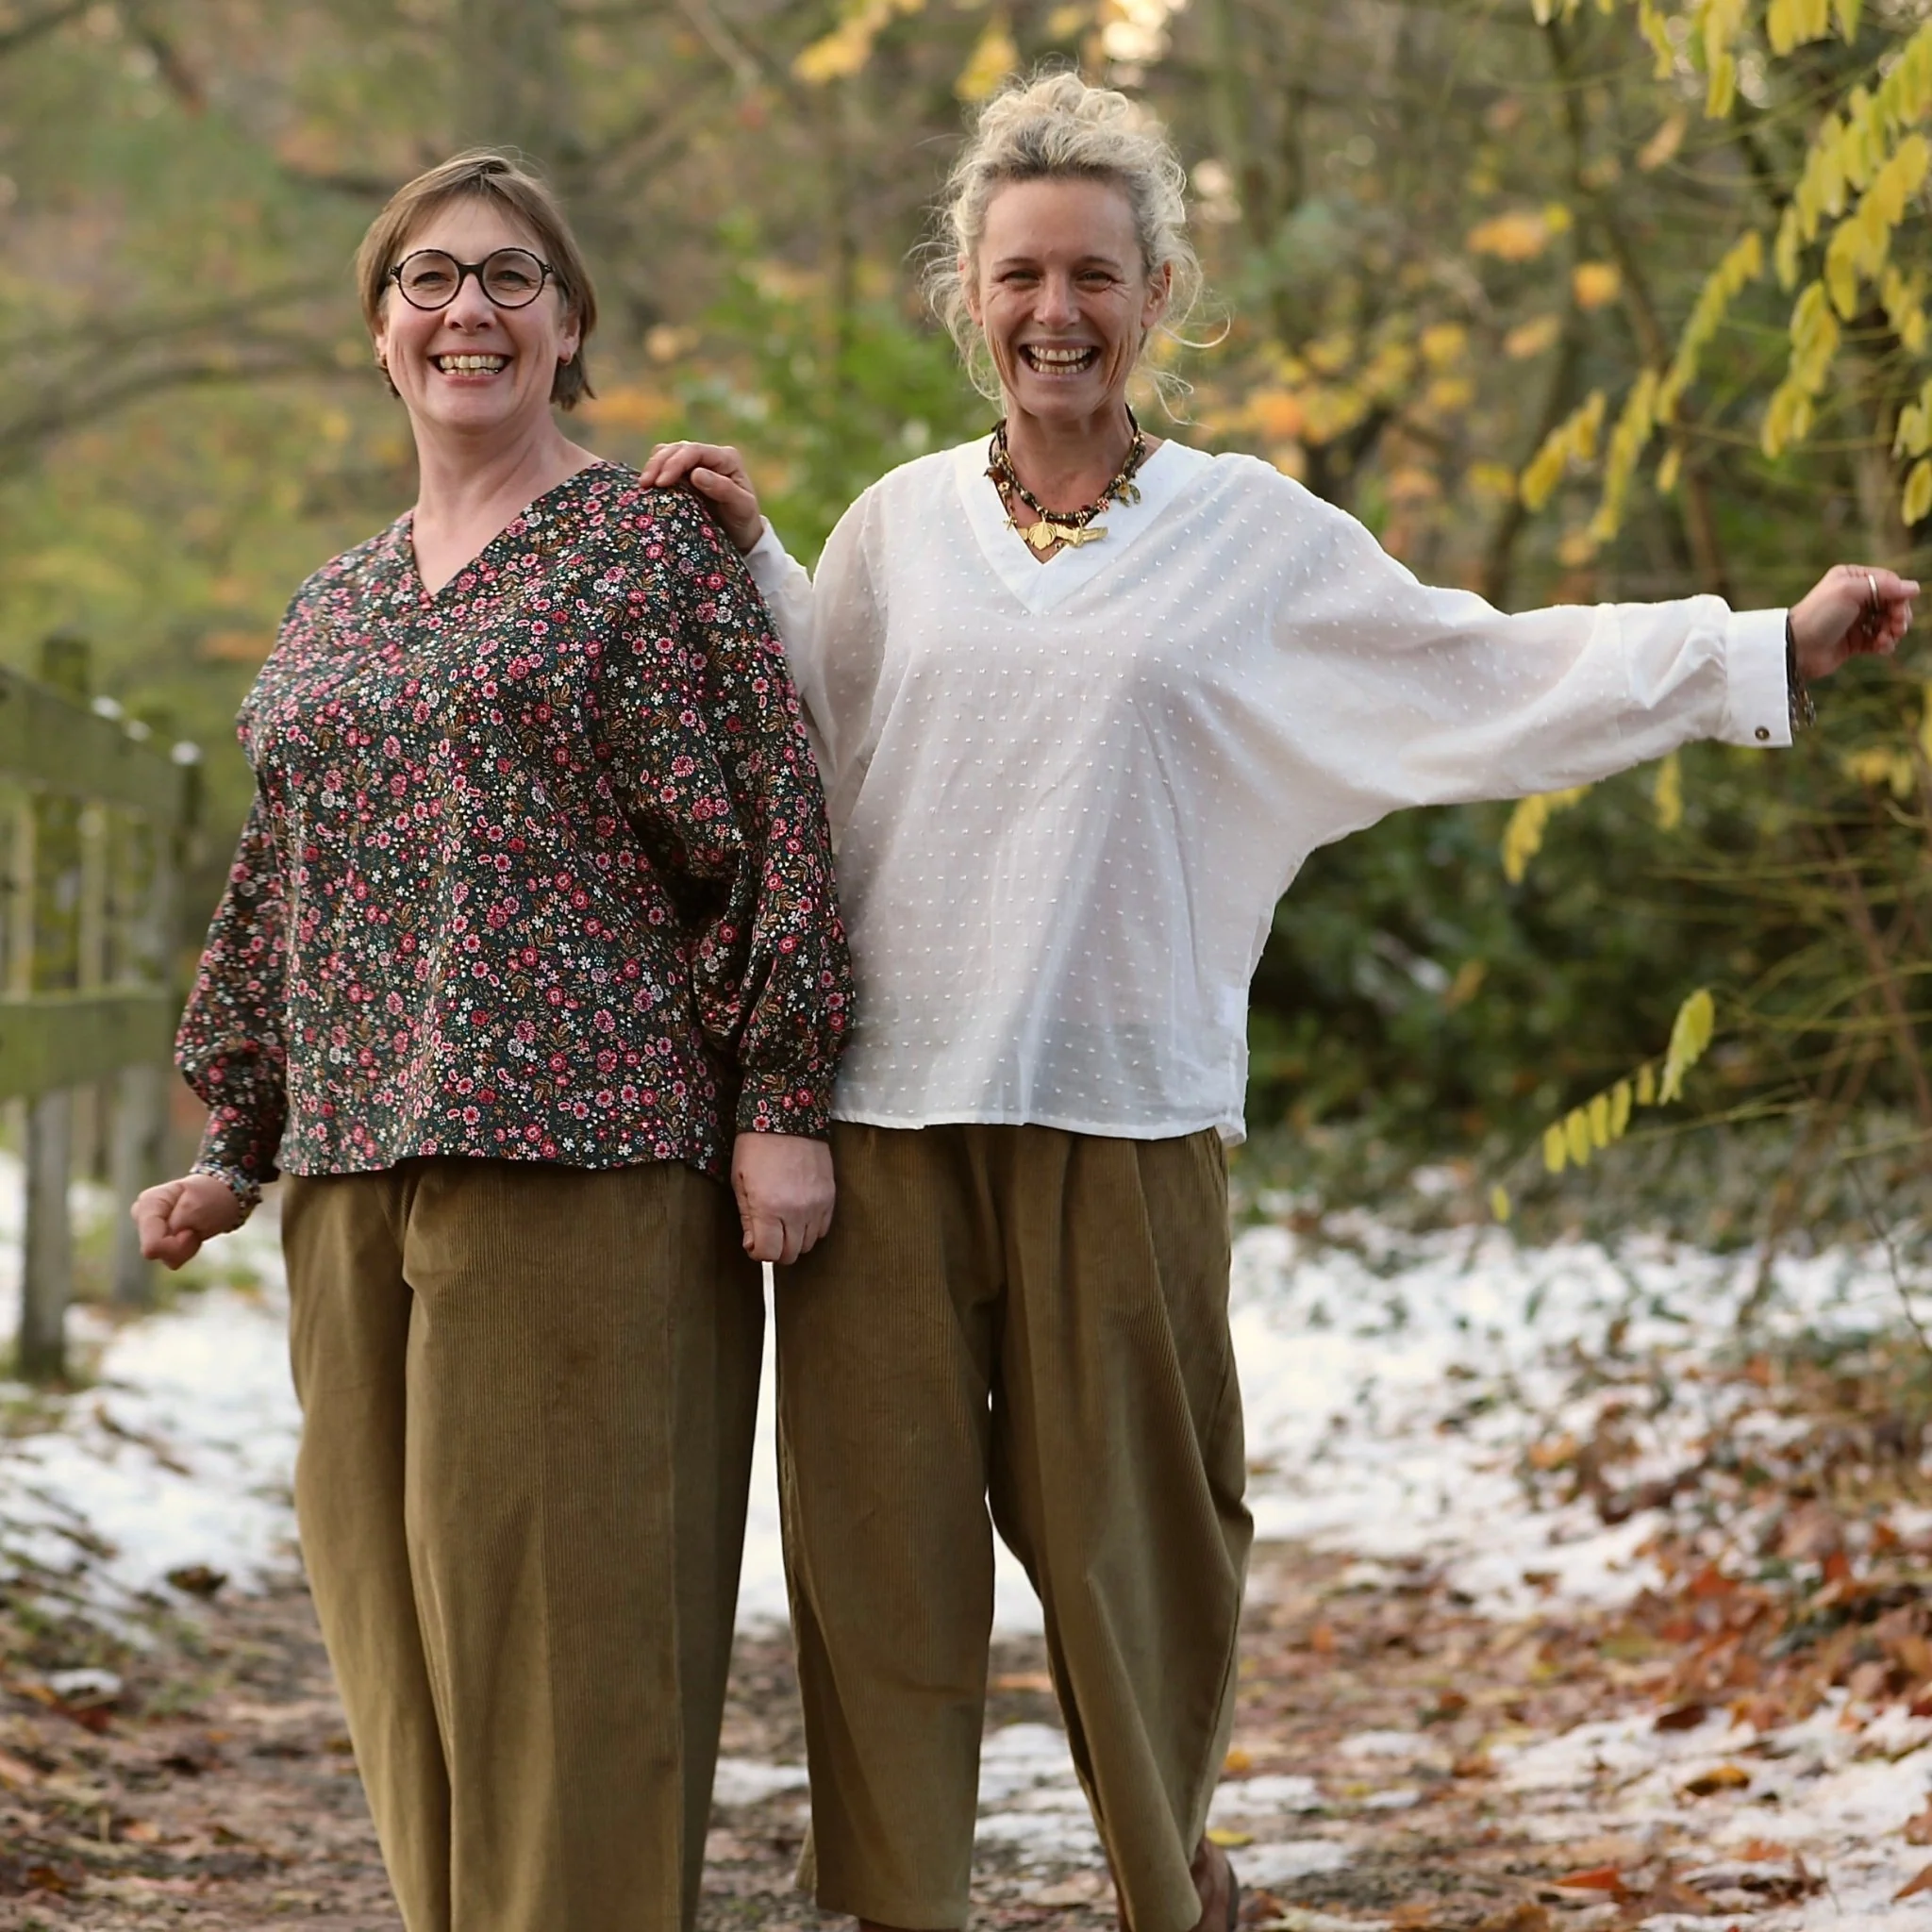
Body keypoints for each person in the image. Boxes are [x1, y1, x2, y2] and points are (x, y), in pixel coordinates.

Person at [639, 67, 1914, 1932]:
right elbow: (818, 743)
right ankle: (897, 1903)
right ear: (967, 295)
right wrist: (761, 555)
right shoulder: (899, 528)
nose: (1055, 309)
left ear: (1158, 294)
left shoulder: (1252, 538)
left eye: (1094, 273)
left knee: (1142, 1544)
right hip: (884, 1114)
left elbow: (1479, 672)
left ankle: (1173, 1888)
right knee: (876, 1549)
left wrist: (1752, 650)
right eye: (1019, 274)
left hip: (1127, 1107)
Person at [131, 150, 852, 1932]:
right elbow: (285, 879)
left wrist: (781, 1097)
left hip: (583, 1170)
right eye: (432, 278)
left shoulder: (646, 552)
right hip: (353, 1179)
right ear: (380, 330)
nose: (472, 309)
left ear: (571, 324)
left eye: (515, 277)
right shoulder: (337, 598)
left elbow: (776, 828)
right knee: (397, 1658)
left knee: (570, 1665)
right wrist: (236, 1140)